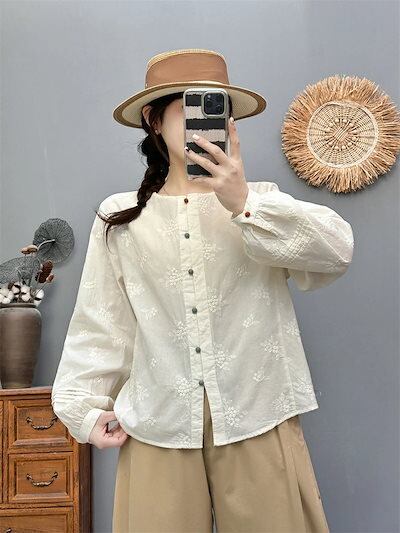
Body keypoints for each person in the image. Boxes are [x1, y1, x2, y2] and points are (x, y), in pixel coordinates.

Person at [51, 49, 354, 532]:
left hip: (258, 413)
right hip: (159, 423)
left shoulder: (263, 204)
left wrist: (243, 202)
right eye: (190, 107)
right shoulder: (120, 217)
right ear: (152, 120)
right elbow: (101, 321)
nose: (205, 122)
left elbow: (336, 252)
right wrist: (84, 409)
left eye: (217, 108)